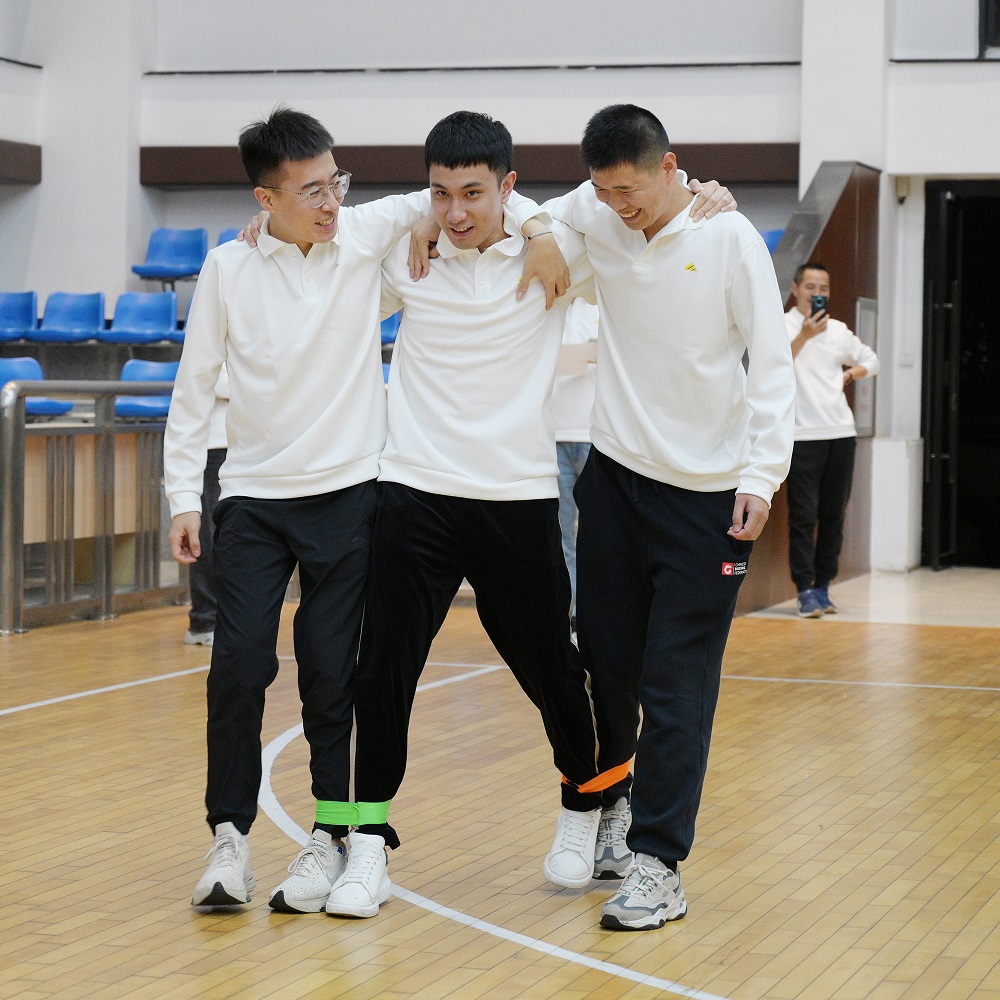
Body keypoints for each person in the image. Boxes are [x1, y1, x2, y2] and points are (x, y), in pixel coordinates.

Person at [317, 111, 737, 920]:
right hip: (414, 490)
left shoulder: (559, 253)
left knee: (554, 671)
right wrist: (271, 224)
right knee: (382, 671)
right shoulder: (409, 254)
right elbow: (332, 235)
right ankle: (368, 844)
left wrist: (698, 196)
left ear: (508, 187)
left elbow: (630, 205)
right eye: (440, 194)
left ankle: (585, 803)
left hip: (515, 496)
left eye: (474, 193)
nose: (456, 212)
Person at [165, 106, 557, 913]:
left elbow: (474, 193)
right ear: (265, 200)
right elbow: (193, 384)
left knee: (330, 671)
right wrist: (180, 495)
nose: (331, 201)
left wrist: (540, 228)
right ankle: (229, 837)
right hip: (253, 497)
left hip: (349, 494)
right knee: (238, 665)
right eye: (310, 190)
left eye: (335, 181)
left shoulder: (363, 234)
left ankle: (330, 833)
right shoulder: (227, 268)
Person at [546, 104, 797, 930]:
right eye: (603, 192)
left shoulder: (729, 238)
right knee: (605, 665)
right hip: (615, 484)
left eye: (631, 190)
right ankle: (615, 805)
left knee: (676, 683)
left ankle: (658, 863)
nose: (618, 206)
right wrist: (545, 231)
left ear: (669, 167)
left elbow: (771, 364)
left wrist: (762, 474)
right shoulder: (598, 216)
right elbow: (528, 214)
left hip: (706, 499)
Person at [785, 262, 880, 617]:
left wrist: (849, 375)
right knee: (803, 517)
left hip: (840, 433)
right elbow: (774, 364)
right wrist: (804, 336)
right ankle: (804, 590)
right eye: (810, 287)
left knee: (833, 516)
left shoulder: (838, 330)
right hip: (800, 436)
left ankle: (823, 586)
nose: (816, 293)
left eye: (823, 287)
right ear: (796, 289)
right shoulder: (782, 325)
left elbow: (872, 360)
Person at [548, 298, 599, 640]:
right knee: (561, 537)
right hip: (554, 436)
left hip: (594, 438)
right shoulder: (551, 308)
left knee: (597, 537)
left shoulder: (601, 306)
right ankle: (572, 616)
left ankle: (595, 616)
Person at [183, 367, 228, 647]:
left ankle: (222, 618)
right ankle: (203, 620)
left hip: (250, 446)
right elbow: (216, 382)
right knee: (207, 536)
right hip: (213, 446)